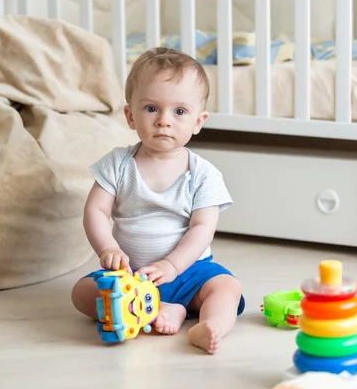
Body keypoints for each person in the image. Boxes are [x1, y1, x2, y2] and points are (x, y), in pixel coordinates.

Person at [71, 47, 245, 354]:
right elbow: (96, 210)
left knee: (226, 288)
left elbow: (202, 227)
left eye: (179, 112)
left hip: (189, 272)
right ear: (130, 115)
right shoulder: (117, 164)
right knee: (82, 293)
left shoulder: (203, 174)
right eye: (151, 108)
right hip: (129, 276)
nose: (164, 120)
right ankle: (156, 309)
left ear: (198, 121)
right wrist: (108, 248)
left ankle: (210, 326)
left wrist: (172, 265)